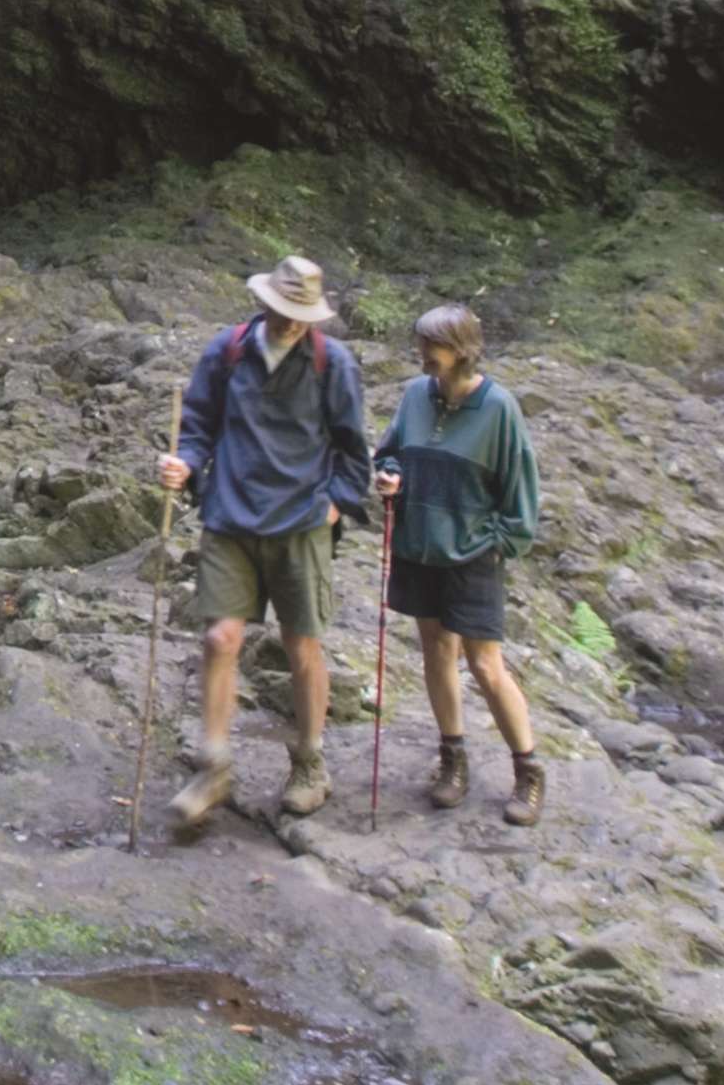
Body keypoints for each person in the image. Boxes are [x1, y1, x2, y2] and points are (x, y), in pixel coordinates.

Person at [154, 253, 372, 828]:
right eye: (282, 311)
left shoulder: (333, 363)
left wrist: (334, 505)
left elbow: (354, 450)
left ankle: (309, 762)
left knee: (302, 646)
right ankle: (214, 765)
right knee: (220, 638)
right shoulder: (226, 352)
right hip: (230, 514)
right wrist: (185, 465)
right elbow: (198, 427)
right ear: (264, 303)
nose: (290, 323)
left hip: (302, 523)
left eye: (301, 315)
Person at [372, 301, 547, 824]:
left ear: (462, 350)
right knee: (436, 652)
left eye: (433, 346)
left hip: (473, 556)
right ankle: (453, 760)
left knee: (486, 665)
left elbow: (521, 496)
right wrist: (389, 478)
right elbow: (390, 453)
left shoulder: (499, 409)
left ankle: (528, 771)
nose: (423, 354)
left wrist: (496, 543)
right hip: (419, 548)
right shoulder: (413, 396)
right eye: (422, 344)